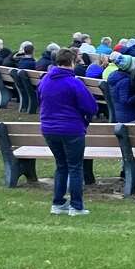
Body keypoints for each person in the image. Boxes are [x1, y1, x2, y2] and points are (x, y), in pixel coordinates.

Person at [37, 47, 99, 215]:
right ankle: (76, 206)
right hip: (71, 128)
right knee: (75, 167)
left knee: (61, 165)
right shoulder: (74, 82)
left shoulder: (45, 80)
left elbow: (40, 100)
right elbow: (91, 106)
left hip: (49, 128)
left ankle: (58, 203)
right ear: (72, 62)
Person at [106, 54, 135, 123]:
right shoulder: (125, 81)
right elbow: (125, 100)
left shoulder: (115, 76)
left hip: (120, 115)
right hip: (130, 117)